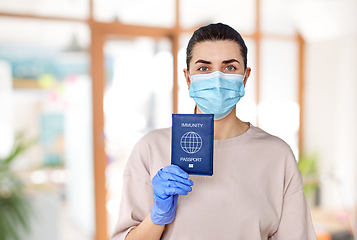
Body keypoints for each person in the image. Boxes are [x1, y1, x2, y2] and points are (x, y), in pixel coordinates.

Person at [110, 23, 317, 240]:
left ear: (245, 77)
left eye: (229, 68)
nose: (217, 80)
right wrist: (157, 216)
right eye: (204, 68)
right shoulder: (152, 148)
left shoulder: (277, 156)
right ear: (188, 78)